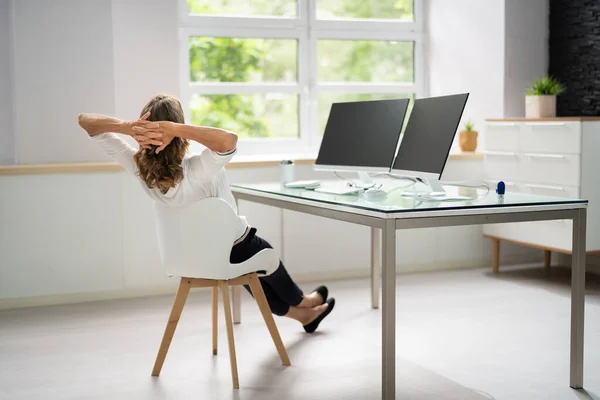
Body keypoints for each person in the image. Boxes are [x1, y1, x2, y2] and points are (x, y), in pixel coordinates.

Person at [78, 94, 335, 333]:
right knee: (263, 257)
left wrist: (127, 128)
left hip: (190, 258)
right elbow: (229, 140)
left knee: (246, 270)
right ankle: (303, 301)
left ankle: (304, 315)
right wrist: (174, 129)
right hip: (232, 251)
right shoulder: (199, 168)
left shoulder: (138, 167)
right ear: (177, 129)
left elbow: (85, 122)